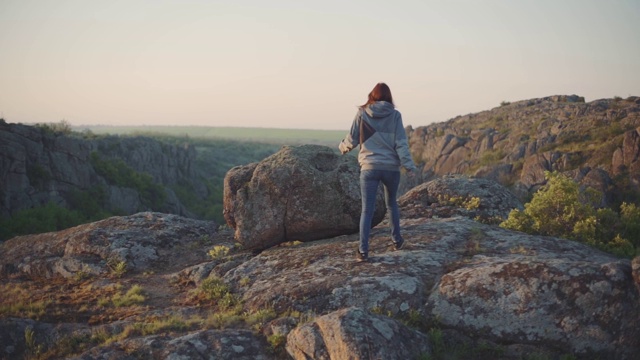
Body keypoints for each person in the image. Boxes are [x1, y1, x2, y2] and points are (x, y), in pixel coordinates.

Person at [339, 82, 417, 262]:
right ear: (389, 97)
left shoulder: (362, 113)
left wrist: (342, 148)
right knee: (392, 205)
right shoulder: (396, 116)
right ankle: (397, 241)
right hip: (391, 168)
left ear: (372, 96)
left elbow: (351, 139)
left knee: (367, 210)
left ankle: (363, 251)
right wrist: (409, 166)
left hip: (369, 168)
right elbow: (401, 144)